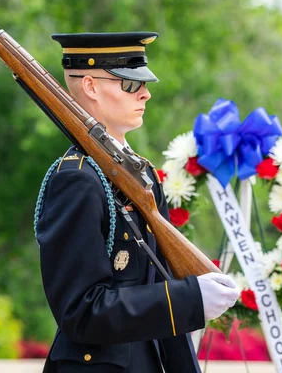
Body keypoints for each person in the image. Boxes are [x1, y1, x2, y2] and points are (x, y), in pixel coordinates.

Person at [35, 31, 240, 373]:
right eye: (129, 84)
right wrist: (189, 298)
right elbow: (82, 312)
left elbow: (155, 281)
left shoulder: (141, 175)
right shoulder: (77, 180)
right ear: (90, 87)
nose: (145, 93)